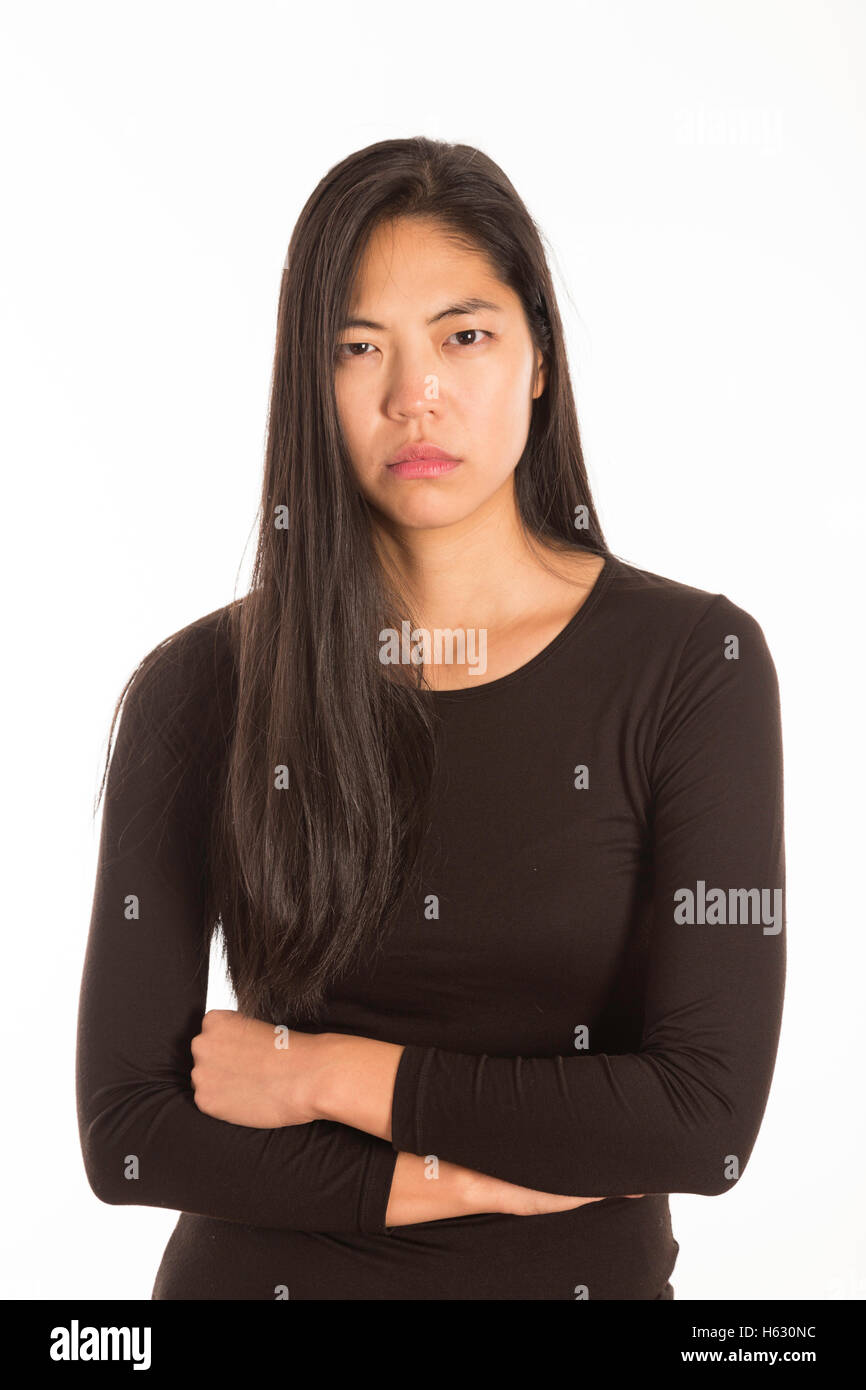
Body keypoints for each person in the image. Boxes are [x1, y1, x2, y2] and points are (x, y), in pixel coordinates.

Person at [76, 136, 786, 1300]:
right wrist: (467, 1176)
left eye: (464, 335)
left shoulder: (689, 665)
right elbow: (128, 1134)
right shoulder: (202, 684)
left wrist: (316, 1073)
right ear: (309, 380)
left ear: (539, 356)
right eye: (359, 349)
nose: (417, 395)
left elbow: (697, 1118)